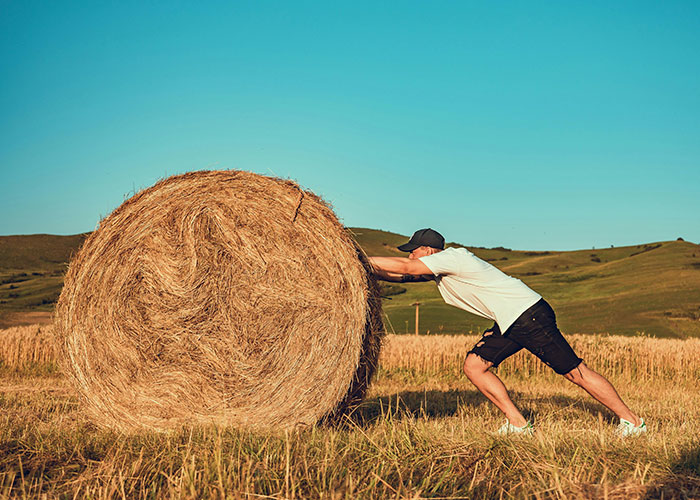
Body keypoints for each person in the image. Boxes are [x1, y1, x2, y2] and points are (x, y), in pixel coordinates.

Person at [369, 228, 646, 436]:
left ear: (428, 251)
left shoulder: (452, 258)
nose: (410, 255)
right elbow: (403, 275)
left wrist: (358, 256)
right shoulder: (442, 270)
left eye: (413, 250)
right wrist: (363, 270)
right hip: (510, 320)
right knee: (475, 366)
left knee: (575, 372)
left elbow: (405, 267)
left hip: (528, 314)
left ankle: (632, 422)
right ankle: (518, 424)